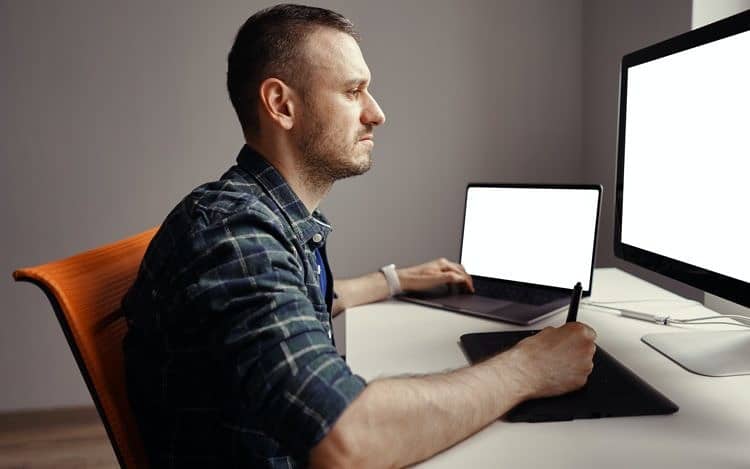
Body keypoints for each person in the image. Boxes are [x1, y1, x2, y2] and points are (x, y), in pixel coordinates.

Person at [122, 4, 597, 468]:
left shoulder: (257, 215)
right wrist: (529, 368)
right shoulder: (232, 233)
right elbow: (346, 441)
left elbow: (295, 301)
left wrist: (396, 280)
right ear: (281, 105)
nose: (377, 113)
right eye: (354, 91)